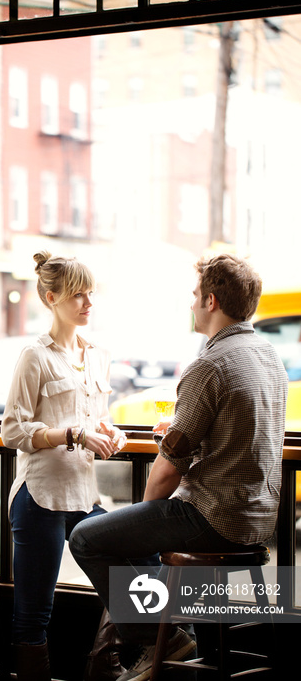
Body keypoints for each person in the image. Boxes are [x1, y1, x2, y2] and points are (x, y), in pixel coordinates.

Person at [69, 253, 288, 681]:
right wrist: (181, 428)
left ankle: (162, 636)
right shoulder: (267, 355)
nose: (190, 304)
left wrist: (145, 522)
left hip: (213, 515)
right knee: (142, 540)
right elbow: (239, 428)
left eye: (194, 296)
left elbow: (168, 471)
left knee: (86, 539)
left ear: (210, 301)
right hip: (259, 519)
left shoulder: (209, 365)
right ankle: (179, 633)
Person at [1, 250, 127, 681]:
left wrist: (114, 433)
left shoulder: (97, 355)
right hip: (40, 498)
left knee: (129, 574)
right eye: (77, 295)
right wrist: (71, 434)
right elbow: (13, 431)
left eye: (91, 294)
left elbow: (98, 419)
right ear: (51, 297)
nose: (87, 303)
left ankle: (103, 664)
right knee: (35, 612)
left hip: (85, 496)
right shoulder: (34, 356)